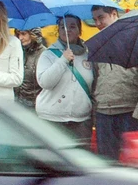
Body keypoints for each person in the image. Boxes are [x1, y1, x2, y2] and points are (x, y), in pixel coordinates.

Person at [91, 4, 138, 158]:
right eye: (94, 20)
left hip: (129, 111)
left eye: (101, 18)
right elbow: (95, 79)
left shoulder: (134, 40)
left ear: (114, 14)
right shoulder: (96, 44)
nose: (98, 24)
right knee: (106, 161)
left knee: (132, 160)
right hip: (104, 112)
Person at [36, 14, 95, 142]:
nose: (67, 30)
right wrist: (63, 60)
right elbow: (45, 82)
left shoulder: (88, 55)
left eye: (72, 27)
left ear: (80, 30)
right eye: (63, 27)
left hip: (81, 122)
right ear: (58, 30)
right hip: (52, 120)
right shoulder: (48, 55)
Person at [14, 27, 46, 109]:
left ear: (33, 35)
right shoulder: (18, 51)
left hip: (35, 105)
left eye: (23, 34)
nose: (20, 38)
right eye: (18, 34)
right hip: (17, 101)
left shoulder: (44, 54)